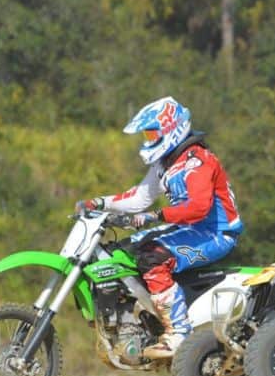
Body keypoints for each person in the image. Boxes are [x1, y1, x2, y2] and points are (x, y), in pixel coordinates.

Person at [78, 96, 242, 358]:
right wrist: (99, 203)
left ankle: (178, 332)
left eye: (152, 133)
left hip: (216, 233)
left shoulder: (198, 161)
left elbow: (199, 207)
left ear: (171, 128)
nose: (148, 139)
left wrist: (156, 215)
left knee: (152, 256)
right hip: (189, 229)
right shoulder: (166, 163)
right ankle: (136, 322)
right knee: (120, 252)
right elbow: (138, 198)